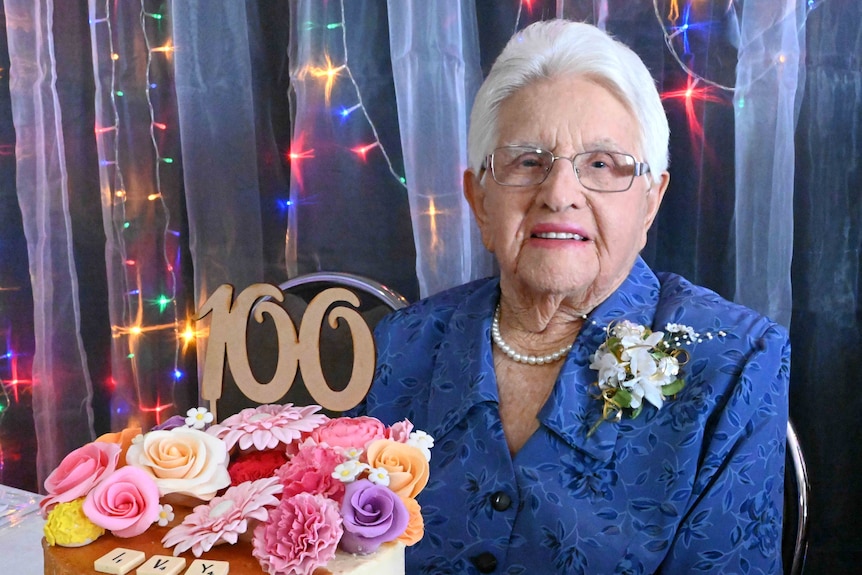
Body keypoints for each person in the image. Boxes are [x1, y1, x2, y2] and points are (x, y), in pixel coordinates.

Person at [354, 19, 789, 574]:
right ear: (478, 199)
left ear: (651, 201)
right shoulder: (397, 345)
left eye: (602, 165)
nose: (559, 195)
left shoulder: (736, 363)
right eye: (527, 162)